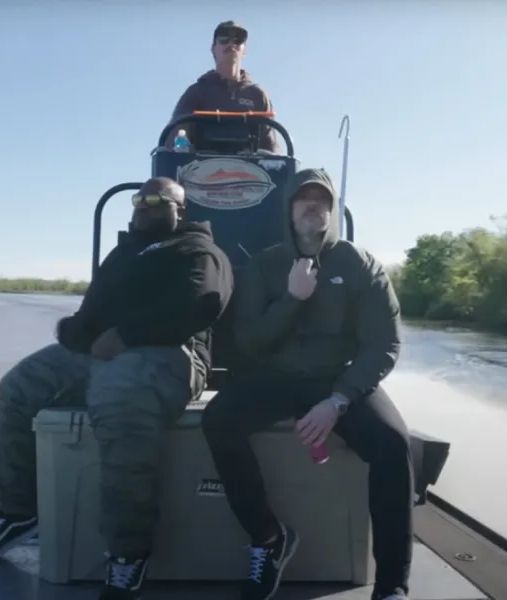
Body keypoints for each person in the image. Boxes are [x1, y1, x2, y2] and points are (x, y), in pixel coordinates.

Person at [0, 177, 234, 600]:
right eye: (139, 199)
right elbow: (89, 313)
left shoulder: (198, 250)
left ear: (181, 210)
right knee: (17, 388)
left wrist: (126, 336)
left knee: (118, 394)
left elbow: (203, 302)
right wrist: (73, 333)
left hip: (174, 351)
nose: (145, 205)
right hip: (105, 348)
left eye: (158, 199)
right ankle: (18, 512)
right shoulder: (123, 253)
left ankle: (128, 553)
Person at [200, 168, 413, 600]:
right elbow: (250, 341)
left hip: (341, 381)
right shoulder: (265, 265)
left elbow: (384, 344)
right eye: (303, 199)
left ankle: (392, 585)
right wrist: (292, 300)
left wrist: (338, 399)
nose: (313, 205)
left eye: (322, 200)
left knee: (393, 444)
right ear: (289, 209)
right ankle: (268, 537)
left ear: (333, 211)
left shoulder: (360, 264)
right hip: (277, 377)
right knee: (219, 419)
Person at [168, 20, 279, 153]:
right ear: (213, 49)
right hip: (200, 170)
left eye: (238, 40)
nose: (231, 44)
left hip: (250, 171)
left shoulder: (257, 95)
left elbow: (271, 150)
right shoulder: (196, 92)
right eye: (224, 39)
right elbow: (172, 143)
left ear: (244, 50)